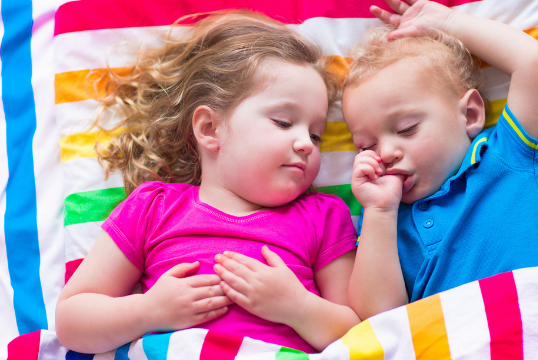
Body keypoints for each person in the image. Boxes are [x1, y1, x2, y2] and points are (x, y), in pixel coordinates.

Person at [55, 10, 360, 354]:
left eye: (316, 135)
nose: (306, 143)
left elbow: (361, 333)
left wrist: (297, 307)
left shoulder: (323, 217)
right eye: (283, 122)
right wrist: (148, 311)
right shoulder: (153, 209)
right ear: (210, 129)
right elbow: (72, 321)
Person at [344, 0, 538, 320]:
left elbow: (529, 62)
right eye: (365, 145)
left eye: (406, 129)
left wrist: (449, 21)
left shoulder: (509, 156)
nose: (385, 153)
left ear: (470, 114)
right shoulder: (383, 224)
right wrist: (379, 212)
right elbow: (376, 320)